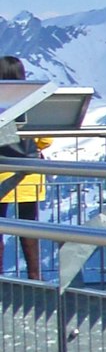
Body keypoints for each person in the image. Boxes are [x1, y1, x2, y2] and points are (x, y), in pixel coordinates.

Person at [0, 54, 47, 282]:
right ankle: (35, 277)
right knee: (30, 225)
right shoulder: (32, 101)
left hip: (2, 172)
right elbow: (45, 140)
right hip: (29, 172)